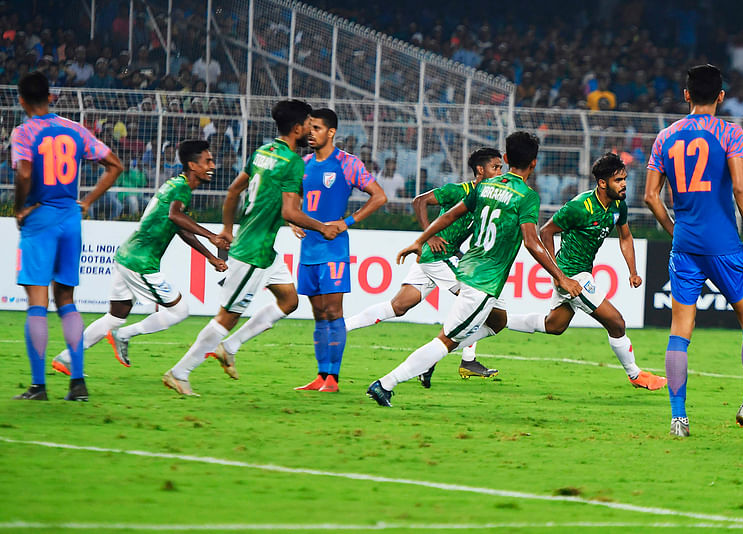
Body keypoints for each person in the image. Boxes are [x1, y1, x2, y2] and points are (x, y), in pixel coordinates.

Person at [367, 131, 582, 407]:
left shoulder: (485, 187)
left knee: (499, 320)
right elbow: (531, 241)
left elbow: (449, 215)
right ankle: (386, 383)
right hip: (482, 282)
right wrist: (561, 277)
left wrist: (419, 240)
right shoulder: (526, 196)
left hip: (467, 267)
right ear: (534, 164)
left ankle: (434, 356)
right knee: (446, 341)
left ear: (505, 158)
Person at [163, 100, 342, 396]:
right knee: (227, 317)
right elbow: (289, 212)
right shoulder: (293, 163)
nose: (312, 129)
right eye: (309, 124)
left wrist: (228, 228)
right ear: (297, 128)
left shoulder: (263, 152)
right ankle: (179, 372)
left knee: (289, 301)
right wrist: (323, 227)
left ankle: (230, 347)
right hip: (253, 251)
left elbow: (234, 190)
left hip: (262, 248)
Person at [644, 64, 743, 438]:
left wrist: (674, 228)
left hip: (685, 247)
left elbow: (650, 195)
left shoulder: (665, 137)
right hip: (725, 245)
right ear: (721, 96)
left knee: (680, 330)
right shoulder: (730, 133)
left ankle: (678, 420)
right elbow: (740, 188)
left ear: (686, 95)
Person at [50, 140, 229, 376]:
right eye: (207, 161)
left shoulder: (175, 184)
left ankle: (66, 358)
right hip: (140, 263)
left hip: (127, 256)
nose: (212, 165)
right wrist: (212, 236)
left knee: (115, 316)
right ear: (192, 165)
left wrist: (209, 255)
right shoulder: (181, 188)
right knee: (179, 311)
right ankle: (125, 335)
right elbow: (176, 217)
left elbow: (178, 225)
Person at [506, 152, 667, 391]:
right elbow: (546, 231)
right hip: (573, 275)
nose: (624, 185)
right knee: (617, 322)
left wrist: (632, 271)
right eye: (618, 180)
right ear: (602, 183)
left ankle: (498, 319)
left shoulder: (618, 206)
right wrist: (558, 276)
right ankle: (635, 375)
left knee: (555, 326)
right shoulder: (580, 207)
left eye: (624, 179)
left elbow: (625, 236)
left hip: (580, 273)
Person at [346, 147, 504, 387]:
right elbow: (419, 201)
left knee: (398, 306)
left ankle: (340, 328)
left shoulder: (486, 199)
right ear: (480, 170)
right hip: (436, 257)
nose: (500, 172)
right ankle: (461, 359)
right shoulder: (458, 191)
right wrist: (428, 236)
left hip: (439, 257)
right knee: (477, 299)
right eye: (496, 167)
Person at [11, 71, 123, 401]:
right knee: (66, 299)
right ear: (50, 97)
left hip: (39, 217)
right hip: (70, 219)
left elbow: (25, 170)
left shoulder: (23, 132)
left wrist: (19, 208)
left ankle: (38, 386)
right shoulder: (74, 129)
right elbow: (115, 164)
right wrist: (86, 201)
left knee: (37, 302)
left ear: (20, 100)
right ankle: (77, 383)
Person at [293, 108, 387, 393]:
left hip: (333, 249)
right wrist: (291, 219)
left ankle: (333, 378)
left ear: (331, 132)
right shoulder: (303, 164)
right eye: (309, 128)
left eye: (317, 128)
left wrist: (347, 222)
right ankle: (321, 376)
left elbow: (379, 196)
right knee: (318, 313)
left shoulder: (347, 163)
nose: (311, 133)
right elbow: (291, 199)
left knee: (333, 311)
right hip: (308, 249)